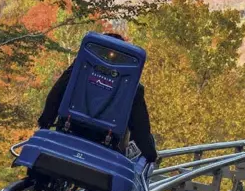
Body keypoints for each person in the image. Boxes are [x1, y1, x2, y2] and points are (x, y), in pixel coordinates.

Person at [37, 32, 157, 163]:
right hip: (105, 148)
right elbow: (140, 127)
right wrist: (151, 155)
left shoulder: (78, 70)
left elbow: (56, 93)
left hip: (67, 131)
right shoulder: (133, 87)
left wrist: (45, 122)